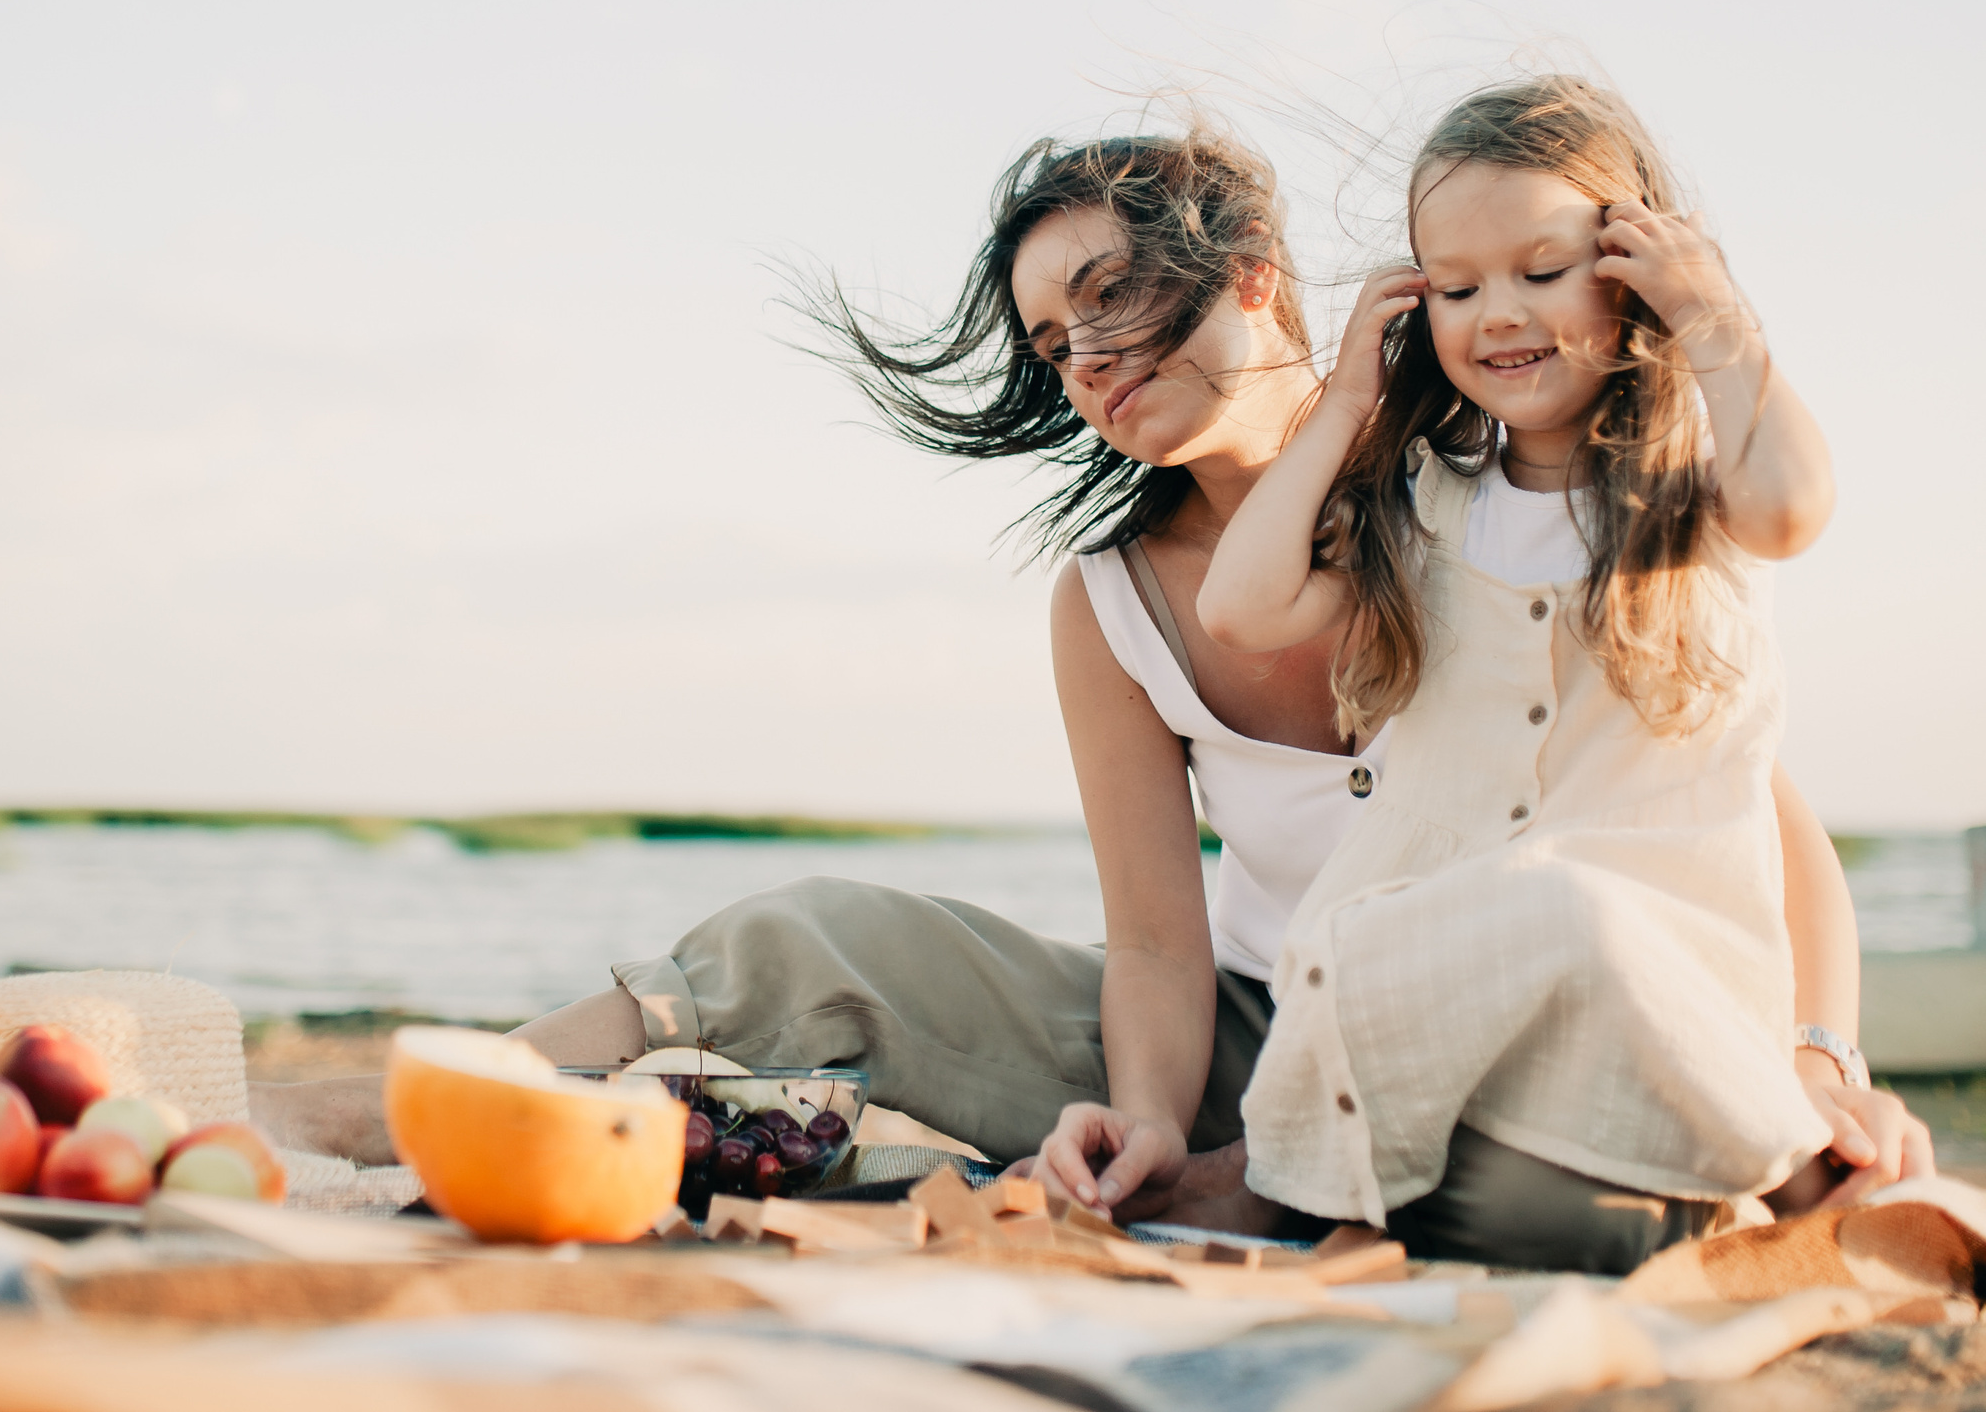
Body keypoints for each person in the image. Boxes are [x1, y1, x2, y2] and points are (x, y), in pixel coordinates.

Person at [253, 120, 1930, 1268]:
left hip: (1513, 1022)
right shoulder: (1115, 599)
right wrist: (1135, 1120)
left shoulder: (1484, 491)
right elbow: (1154, 938)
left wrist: (1821, 1046)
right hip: (1261, 1042)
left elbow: (1739, 801)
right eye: (1057, 340)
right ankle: (402, 1114)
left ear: (1257, 274)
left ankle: (1345, 1187)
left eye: (1115, 296)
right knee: (819, 936)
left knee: (1556, 1155)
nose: (1091, 359)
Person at [1193, 76, 1891, 1251]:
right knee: (1512, 1172)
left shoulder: (1695, 494)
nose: (1497, 313)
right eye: (1456, 288)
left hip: (1637, 982)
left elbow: (1794, 504)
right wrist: (1347, 402)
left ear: (1635, 260)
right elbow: (1240, 603)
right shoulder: (1427, 504)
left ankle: (1742, 1166)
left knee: (1573, 918)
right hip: (1432, 975)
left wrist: (1714, 314)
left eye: (1542, 269)